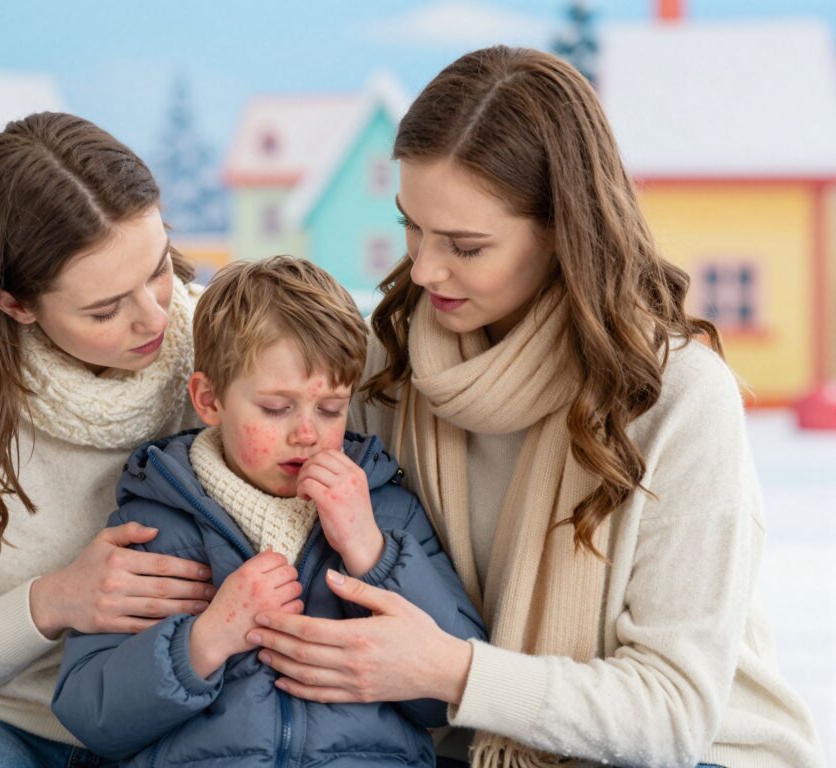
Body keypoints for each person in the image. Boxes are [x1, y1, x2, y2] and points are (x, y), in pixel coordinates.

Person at [245, 47, 825, 768]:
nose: (423, 270)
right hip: (454, 743)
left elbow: (673, 715)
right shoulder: (383, 366)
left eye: (466, 245)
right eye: (411, 228)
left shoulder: (678, 397)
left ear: (563, 232)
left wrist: (449, 671)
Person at [52, 256, 487, 767]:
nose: (307, 432)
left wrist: (371, 551)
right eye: (277, 409)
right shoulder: (158, 524)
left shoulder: (386, 511)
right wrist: (204, 640)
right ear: (209, 400)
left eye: (330, 409)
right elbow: (91, 714)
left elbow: (455, 695)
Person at [0, 112, 216, 768]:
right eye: (104, 308)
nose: (153, 316)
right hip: (8, 726)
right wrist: (54, 601)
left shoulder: (223, 343)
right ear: (16, 305)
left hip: (180, 717)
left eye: (158, 268)